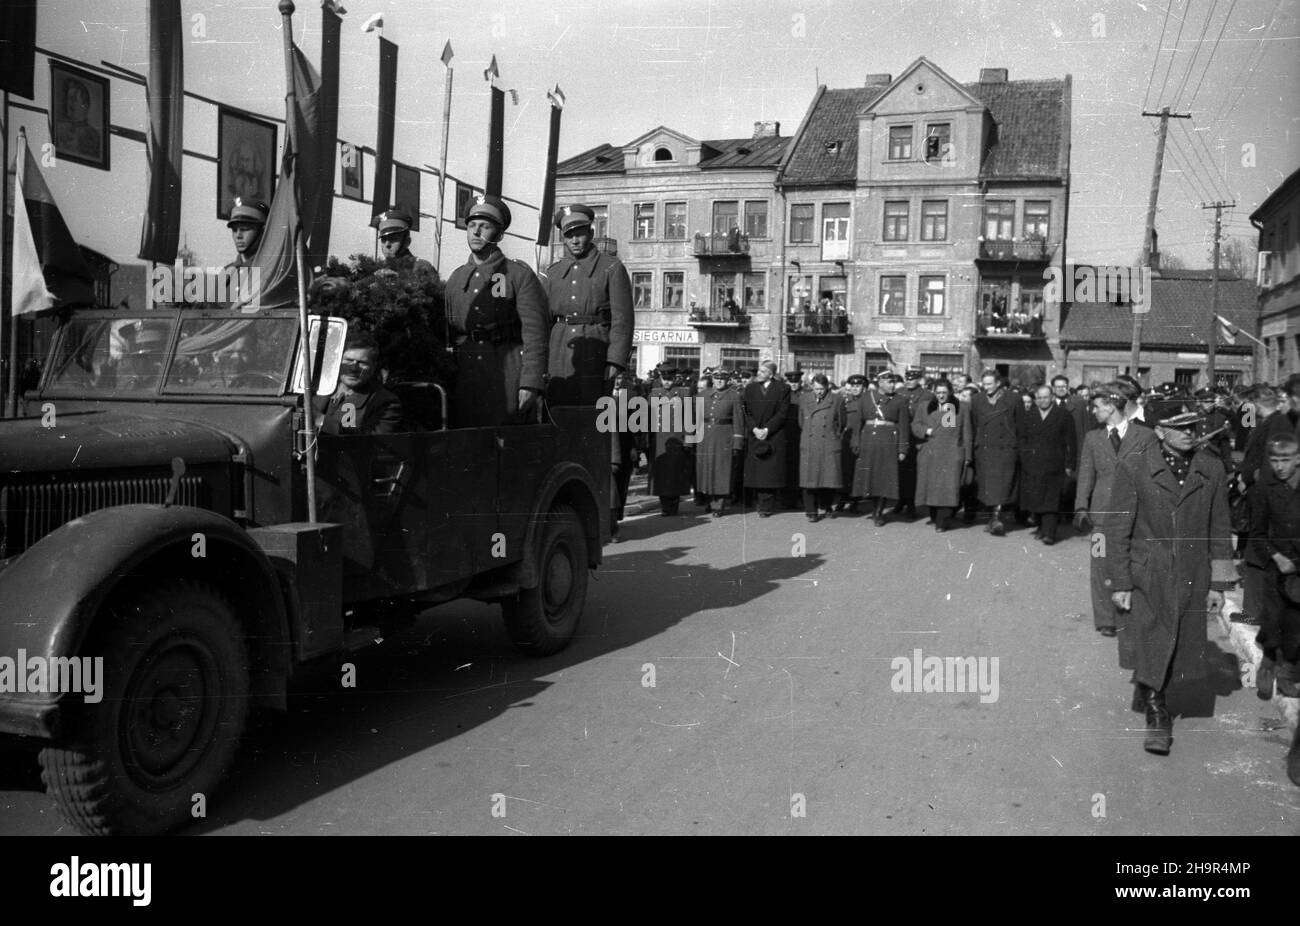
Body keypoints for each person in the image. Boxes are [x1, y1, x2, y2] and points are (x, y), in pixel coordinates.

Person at [1106, 403, 1235, 755]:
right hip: (1148, 572)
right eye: (1180, 427)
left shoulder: (1211, 467)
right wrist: (1120, 582)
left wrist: (1219, 584)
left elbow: (1220, 527)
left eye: (1193, 425)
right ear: (1160, 431)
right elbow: (1117, 529)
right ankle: (1156, 712)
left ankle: (1152, 688)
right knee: (1152, 636)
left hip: (1193, 573)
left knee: (1178, 641)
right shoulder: (1134, 465)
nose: (1190, 432)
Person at [444, 194, 549, 427]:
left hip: (507, 371)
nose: (476, 232)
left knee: (506, 443)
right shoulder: (456, 277)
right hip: (465, 373)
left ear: (499, 235)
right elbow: (447, 332)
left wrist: (530, 382)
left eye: (485, 226)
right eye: (471, 226)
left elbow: (535, 333)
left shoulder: (518, 275)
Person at [1074, 384, 1157, 638]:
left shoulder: (1145, 436)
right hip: (1101, 515)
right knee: (1100, 565)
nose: (1093, 411)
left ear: (1111, 407)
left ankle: (1130, 615)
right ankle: (1106, 619)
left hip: (1136, 514)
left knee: (1131, 563)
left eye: (1097, 406)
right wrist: (1081, 506)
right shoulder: (1093, 438)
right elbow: (1086, 475)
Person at [542, 204, 634, 408]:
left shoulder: (611, 267)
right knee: (558, 413)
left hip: (596, 351)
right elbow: (543, 321)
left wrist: (615, 361)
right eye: (568, 235)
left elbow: (623, 320)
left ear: (591, 233)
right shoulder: (553, 273)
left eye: (580, 233)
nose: (574, 240)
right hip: (559, 352)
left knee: (592, 416)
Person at [1247, 434, 1300, 707]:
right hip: (1276, 566)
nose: (1280, 466)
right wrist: (1276, 557)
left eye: (1286, 460)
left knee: (1295, 622)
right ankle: (1268, 662)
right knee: (1273, 616)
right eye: (1274, 460)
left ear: (1298, 459)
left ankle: (1288, 671)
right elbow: (1256, 533)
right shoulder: (1265, 489)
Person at [1019, 385, 1077, 545]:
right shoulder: (1029, 415)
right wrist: (1025, 456)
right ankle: (1041, 527)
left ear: (1052, 397)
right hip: (1033, 464)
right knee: (1036, 497)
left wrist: (1069, 464)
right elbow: (1022, 438)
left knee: (1051, 499)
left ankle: (1049, 533)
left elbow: (1071, 442)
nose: (1042, 401)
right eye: (1039, 398)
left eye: (1045, 397)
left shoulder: (1063, 415)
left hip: (1055, 464)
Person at [851, 370, 910, 526]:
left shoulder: (900, 400)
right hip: (868, 440)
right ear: (880, 383)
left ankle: (878, 512)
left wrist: (902, 449)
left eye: (893, 382)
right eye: (889, 382)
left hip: (888, 442)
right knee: (870, 476)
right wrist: (855, 441)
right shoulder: (865, 398)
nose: (892, 385)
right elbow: (858, 422)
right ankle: (873, 506)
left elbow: (904, 426)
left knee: (884, 478)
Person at [912, 379, 971, 532]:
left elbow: (967, 434)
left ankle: (942, 521)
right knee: (931, 488)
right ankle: (935, 515)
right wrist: (926, 431)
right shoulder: (925, 407)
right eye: (938, 393)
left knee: (947, 489)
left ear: (950, 392)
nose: (941, 396)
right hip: (930, 453)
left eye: (944, 393)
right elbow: (915, 425)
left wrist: (967, 456)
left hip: (951, 454)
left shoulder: (960, 408)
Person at [968, 370, 1023, 535]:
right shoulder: (976, 400)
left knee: (1002, 486)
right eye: (984, 384)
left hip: (1006, 449)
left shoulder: (1013, 399)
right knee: (988, 486)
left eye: (989, 384)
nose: (986, 387)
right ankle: (993, 518)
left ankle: (997, 519)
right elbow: (974, 424)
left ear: (998, 383)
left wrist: (1018, 448)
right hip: (985, 450)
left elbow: (1020, 425)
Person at [318, 333, 403, 435]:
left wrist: (320, 420)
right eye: (348, 360)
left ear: (373, 367)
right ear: (337, 362)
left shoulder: (385, 402)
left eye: (362, 363)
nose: (354, 368)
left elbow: (372, 444)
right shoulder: (316, 391)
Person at [741, 360, 791, 517]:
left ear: (771, 373)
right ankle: (760, 502)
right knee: (757, 472)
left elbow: (783, 413)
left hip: (772, 435)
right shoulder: (750, 388)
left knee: (769, 474)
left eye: (762, 372)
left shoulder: (783, 388)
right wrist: (754, 428)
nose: (758, 374)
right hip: (755, 433)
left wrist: (767, 429)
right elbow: (746, 412)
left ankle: (766, 506)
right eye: (759, 371)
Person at [695, 368, 744, 517]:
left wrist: (737, 443)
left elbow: (739, 421)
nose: (719, 381)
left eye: (722, 378)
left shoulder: (734, 396)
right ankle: (709, 501)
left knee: (721, 472)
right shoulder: (703, 395)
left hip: (724, 438)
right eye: (716, 378)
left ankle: (718, 505)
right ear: (713, 380)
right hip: (705, 438)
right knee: (706, 471)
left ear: (727, 380)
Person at [798, 374, 845, 522]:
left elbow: (842, 422)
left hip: (828, 443)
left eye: (821, 389)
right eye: (816, 388)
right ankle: (811, 512)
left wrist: (832, 436)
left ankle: (826, 506)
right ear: (811, 386)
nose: (818, 392)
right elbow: (801, 421)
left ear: (827, 387)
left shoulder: (837, 400)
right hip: (810, 443)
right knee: (808, 479)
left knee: (827, 479)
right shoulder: (804, 399)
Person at [898, 368, 933, 518]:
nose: (908, 380)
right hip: (901, 436)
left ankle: (911, 504)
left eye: (912, 378)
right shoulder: (899, 392)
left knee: (913, 473)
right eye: (907, 378)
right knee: (900, 471)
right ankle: (901, 501)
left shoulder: (927, 395)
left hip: (917, 438)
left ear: (919, 380)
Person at [838, 374, 867, 512]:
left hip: (861, 439)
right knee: (845, 471)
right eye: (853, 386)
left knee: (857, 472)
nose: (855, 389)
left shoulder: (867, 403)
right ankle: (842, 499)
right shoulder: (845, 401)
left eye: (858, 386)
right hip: (846, 439)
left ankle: (855, 500)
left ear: (864, 387)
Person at [376, 209, 436, 275]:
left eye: (393, 239)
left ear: (407, 242)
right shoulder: (377, 268)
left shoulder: (422, 269)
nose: (387, 244)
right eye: (383, 240)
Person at [55, 77, 101, 158]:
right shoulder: (58, 128)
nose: (69, 104)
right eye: (68, 99)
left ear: (85, 106)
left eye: (73, 99)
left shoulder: (93, 136)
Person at [225, 197, 268, 270]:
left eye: (244, 229)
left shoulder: (271, 271)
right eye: (234, 230)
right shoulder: (227, 272)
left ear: (262, 231)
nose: (238, 236)